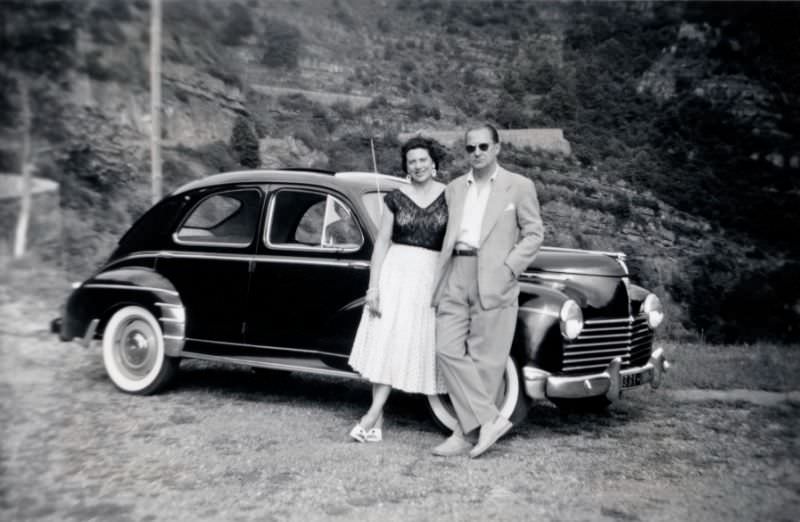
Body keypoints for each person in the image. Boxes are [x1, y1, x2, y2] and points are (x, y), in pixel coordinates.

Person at [431, 124, 544, 458]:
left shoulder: (519, 186)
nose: (476, 153)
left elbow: (534, 234)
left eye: (482, 146)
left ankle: (463, 435)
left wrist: (509, 268)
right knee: (446, 349)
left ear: (497, 148)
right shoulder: (454, 189)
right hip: (457, 273)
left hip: (495, 277)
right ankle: (490, 418)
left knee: (485, 361)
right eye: (470, 148)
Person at [347, 136, 448, 443]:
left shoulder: (451, 195)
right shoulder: (394, 197)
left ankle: (373, 417)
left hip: (429, 277)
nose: (417, 166)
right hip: (395, 274)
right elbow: (382, 243)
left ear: (434, 163)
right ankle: (373, 416)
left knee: (409, 342)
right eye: (411, 161)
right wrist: (374, 287)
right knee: (387, 343)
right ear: (406, 166)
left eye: (422, 160)